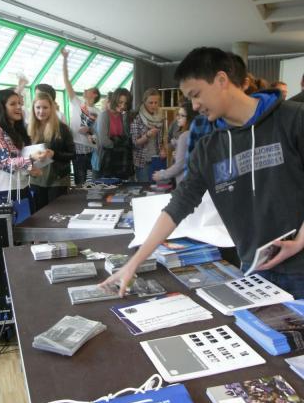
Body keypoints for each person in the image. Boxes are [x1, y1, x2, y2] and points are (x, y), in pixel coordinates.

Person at [101, 47, 304, 300]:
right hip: (255, 270)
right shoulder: (209, 148)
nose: (195, 106)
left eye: (196, 95)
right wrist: (134, 264)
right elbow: (179, 204)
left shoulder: (293, 119)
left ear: (221, 80)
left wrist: (300, 241)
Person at [0, 89, 44, 212]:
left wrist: (32, 167)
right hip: (5, 191)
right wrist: (32, 158)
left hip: (23, 186)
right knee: (14, 229)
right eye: (12, 104)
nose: (18, 107)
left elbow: (20, 159)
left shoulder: (17, 129)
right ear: (1, 107)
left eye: (19, 103)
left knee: (28, 226)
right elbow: (6, 162)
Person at [28, 91, 75, 210]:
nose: (41, 111)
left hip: (57, 179)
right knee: (38, 214)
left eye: (45, 107)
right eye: (38, 107)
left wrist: (54, 154)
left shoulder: (62, 128)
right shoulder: (27, 129)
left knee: (57, 213)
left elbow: (73, 154)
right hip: (36, 179)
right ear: (33, 108)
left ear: (51, 108)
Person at [61, 49, 100, 186]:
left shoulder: (98, 112)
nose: (84, 91)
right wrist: (65, 59)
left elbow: (96, 132)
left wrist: (90, 131)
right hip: (77, 148)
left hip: (91, 149)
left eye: (88, 89)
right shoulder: (77, 103)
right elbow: (67, 82)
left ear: (94, 94)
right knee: (79, 182)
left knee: (92, 182)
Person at [152, 102, 197, 186]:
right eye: (178, 115)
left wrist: (161, 175)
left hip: (185, 182)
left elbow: (179, 166)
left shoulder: (184, 136)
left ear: (190, 118)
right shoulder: (197, 133)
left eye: (182, 115)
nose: (177, 118)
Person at [95, 88, 133, 180]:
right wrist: (120, 144)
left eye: (125, 103)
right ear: (114, 100)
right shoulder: (104, 115)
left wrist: (125, 117)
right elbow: (104, 141)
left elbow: (127, 137)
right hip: (106, 160)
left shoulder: (123, 116)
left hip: (120, 160)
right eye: (120, 102)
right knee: (106, 191)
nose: (123, 106)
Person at [130, 88, 165, 182]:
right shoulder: (136, 117)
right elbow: (135, 143)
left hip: (157, 159)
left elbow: (162, 138)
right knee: (144, 189)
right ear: (144, 101)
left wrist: (162, 149)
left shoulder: (161, 116)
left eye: (156, 102)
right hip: (142, 161)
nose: (153, 105)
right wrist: (147, 135)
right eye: (150, 102)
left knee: (157, 188)